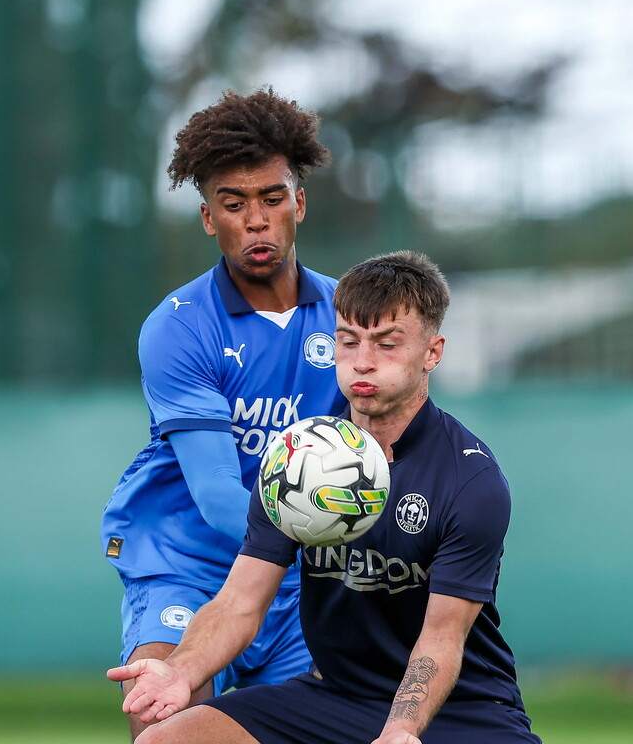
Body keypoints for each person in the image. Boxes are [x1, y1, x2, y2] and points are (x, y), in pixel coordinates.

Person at [108, 250, 542, 744]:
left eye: (387, 344)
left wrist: (400, 730)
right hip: (334, 697)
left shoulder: (470, 480)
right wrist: (181, 671)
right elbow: (239, 604)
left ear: (432, 352)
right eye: (348, 341)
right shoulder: (297, 462)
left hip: (461, 712)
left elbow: (440, 638)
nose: (362, 361)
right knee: (165, 740)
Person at [99, 88, 349, 739]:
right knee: (166, 712)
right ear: (210, 220)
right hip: (188, 554)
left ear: (300, 202)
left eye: (271, 198)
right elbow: (215, 498)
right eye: (234, 205)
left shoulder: (354, 318)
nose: (256, 220)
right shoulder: (179, 329)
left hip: (303, 574)